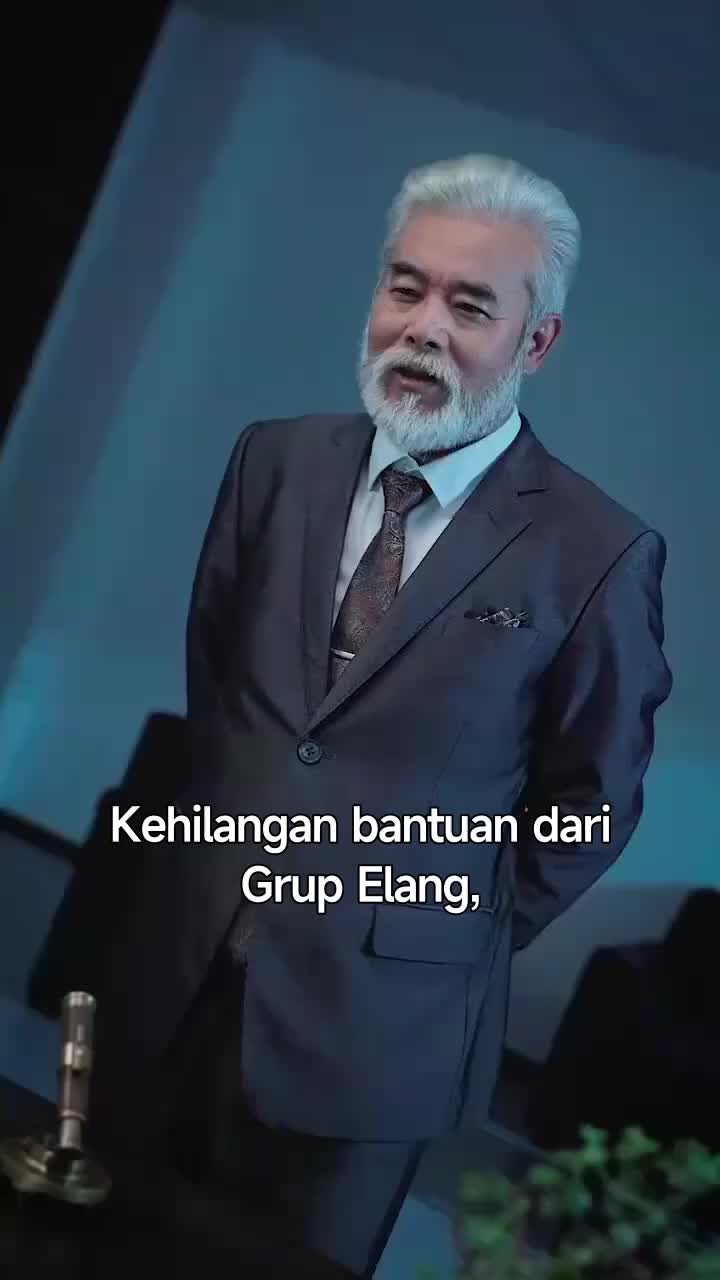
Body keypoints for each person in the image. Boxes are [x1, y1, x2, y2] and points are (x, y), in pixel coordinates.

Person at [90, 153, 673, 1277]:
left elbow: (589, 803)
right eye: (406, 287)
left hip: (373, 1035)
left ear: (536, 342)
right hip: (177, 974)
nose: (424, 327)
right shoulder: (274, 460)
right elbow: (224, 688)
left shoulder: (596, 552)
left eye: (470, 305)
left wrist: (437, 922)